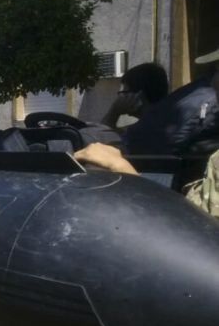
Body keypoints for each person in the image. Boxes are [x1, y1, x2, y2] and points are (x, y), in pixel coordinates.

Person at [75, 48, 219, 217]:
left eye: (123, 93)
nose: (212, 81)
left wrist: (119, 167)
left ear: (138, 95)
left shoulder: (151, 135)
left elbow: (185, 227)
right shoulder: (159, 129)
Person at [100, 62, 168, 130]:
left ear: (138, 95)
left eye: (123, 92)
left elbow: (101, 136)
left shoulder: (143, 132)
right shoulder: (170, 121)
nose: (119, 98)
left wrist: (114, 112)